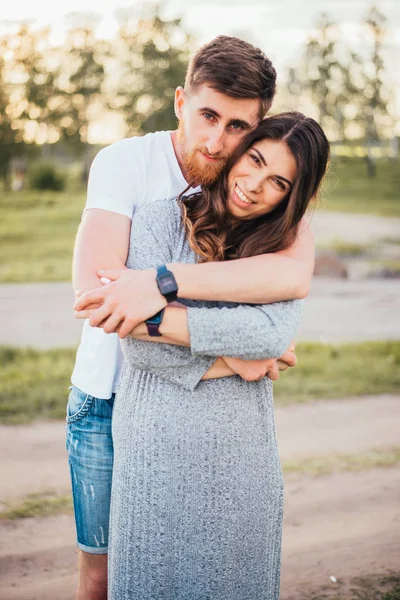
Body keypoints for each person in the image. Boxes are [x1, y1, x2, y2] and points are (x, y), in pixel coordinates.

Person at [69, 36, 314, 600]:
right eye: (207, 115)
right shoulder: (126, 163)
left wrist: (160, 284)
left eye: (236, 127)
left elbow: (291, 281)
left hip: (198, 417)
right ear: (181, 100)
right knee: (106, 576)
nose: (216, 140)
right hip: (105, 399)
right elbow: (98, 295)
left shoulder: (261, 185)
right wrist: (233, 357)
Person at [105, 112, 330, 599]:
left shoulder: (279, 247)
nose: (252, 186)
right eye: (254, 160)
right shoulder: (163, 218)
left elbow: (271, 336)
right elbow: (137, 348)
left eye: (277, 182)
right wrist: (232, 362)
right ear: (240, 149)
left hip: (240, 456)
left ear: (293, 196)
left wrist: (163, 321)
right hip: (152, 447)